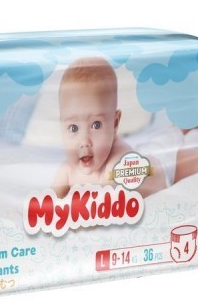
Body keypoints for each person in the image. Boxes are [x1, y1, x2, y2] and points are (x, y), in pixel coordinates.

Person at [52, 56, 166, 198]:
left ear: (115, 123)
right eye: (73, 128)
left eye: (96, 125)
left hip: (156, 172)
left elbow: (104, 206)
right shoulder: (67, 170)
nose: (84, 141)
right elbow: (48, 202)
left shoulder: (117, 164)